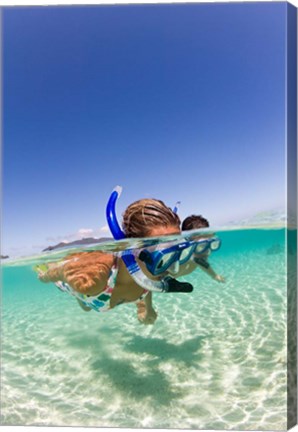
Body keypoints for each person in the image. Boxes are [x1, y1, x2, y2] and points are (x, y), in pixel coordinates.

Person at [37, 193, 194, 325]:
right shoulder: (93, 278)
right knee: (86, 307)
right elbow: (58, 273)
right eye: (163, 254)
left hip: (119, 288)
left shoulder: (154, 269)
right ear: (133, 249)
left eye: (176, 251)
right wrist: (44, 277)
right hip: (83, 287)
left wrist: (147, 308)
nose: (172, 268)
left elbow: (147, 282)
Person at [181, 214, 225, 283]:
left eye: (209, 245)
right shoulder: (177, 256)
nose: (207, 252)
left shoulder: (197, 258)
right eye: (201, 245)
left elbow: (201, 263)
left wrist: (214, 276)